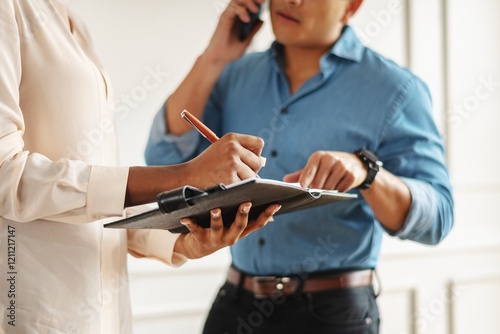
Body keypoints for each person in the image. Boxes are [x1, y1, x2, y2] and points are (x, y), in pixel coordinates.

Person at [145, 0, 455, 333]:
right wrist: (214, 57)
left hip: (332, 316)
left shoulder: (395, 90)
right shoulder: (233, 75)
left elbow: (437, 217)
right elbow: (165, 163)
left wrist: (368, 173)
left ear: (351, 6)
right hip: (234, 308)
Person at [0, 1, 280, 333]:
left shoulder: (72, 22)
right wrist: (184, 175)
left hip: (104, 316)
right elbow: (6, 176)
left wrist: (181, 242)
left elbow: (97, 198)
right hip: (30, 313)